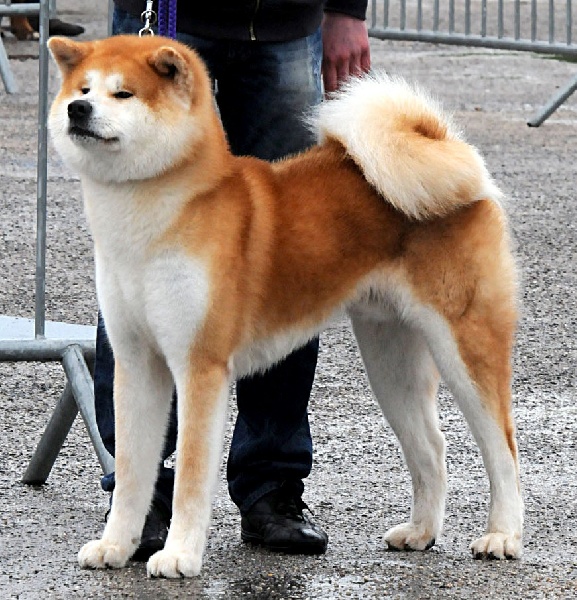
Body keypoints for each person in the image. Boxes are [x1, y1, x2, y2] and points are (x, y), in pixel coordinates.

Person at [94, 0, 370, 561]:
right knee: (136, 260)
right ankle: (142, 498)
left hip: (286, 21)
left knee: (288, 256)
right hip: (165, 13)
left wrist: (347, 9)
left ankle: (272, 484)